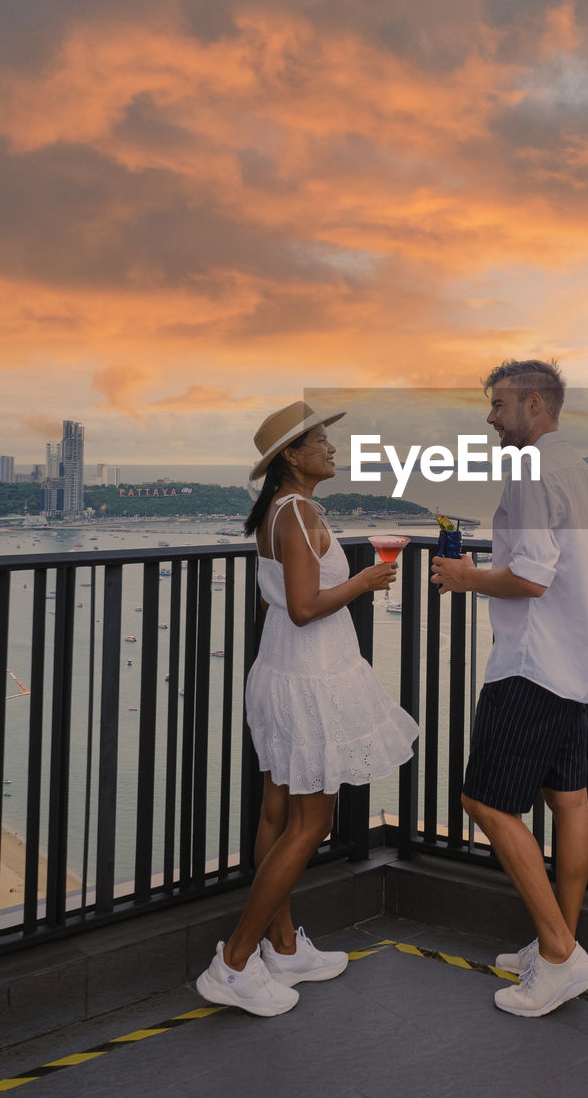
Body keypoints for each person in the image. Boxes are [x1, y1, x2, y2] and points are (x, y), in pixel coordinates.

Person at [196, 402, 419, 1016]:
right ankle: (234, 962)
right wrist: (365, 583)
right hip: (309, 679)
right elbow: (301, 606)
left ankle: (285, 945)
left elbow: (277, 605)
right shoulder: (297, 513)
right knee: (311, 823)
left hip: (281, 672)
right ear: (292, 457)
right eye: (322, 442)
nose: (333, 450)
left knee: (277, 809)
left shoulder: (277, 512)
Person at [430, 359, 588, 1018]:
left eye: (499, 406)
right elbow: (558, 568)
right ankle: (556, 942)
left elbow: (532, 578)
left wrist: (465, 575)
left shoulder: (532, 471)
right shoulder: (583, 474)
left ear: (533, 405)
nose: (491, 417)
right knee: (569, 802)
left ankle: (560, 956)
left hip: (531, 665)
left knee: (485, 802)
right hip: (577, 662)